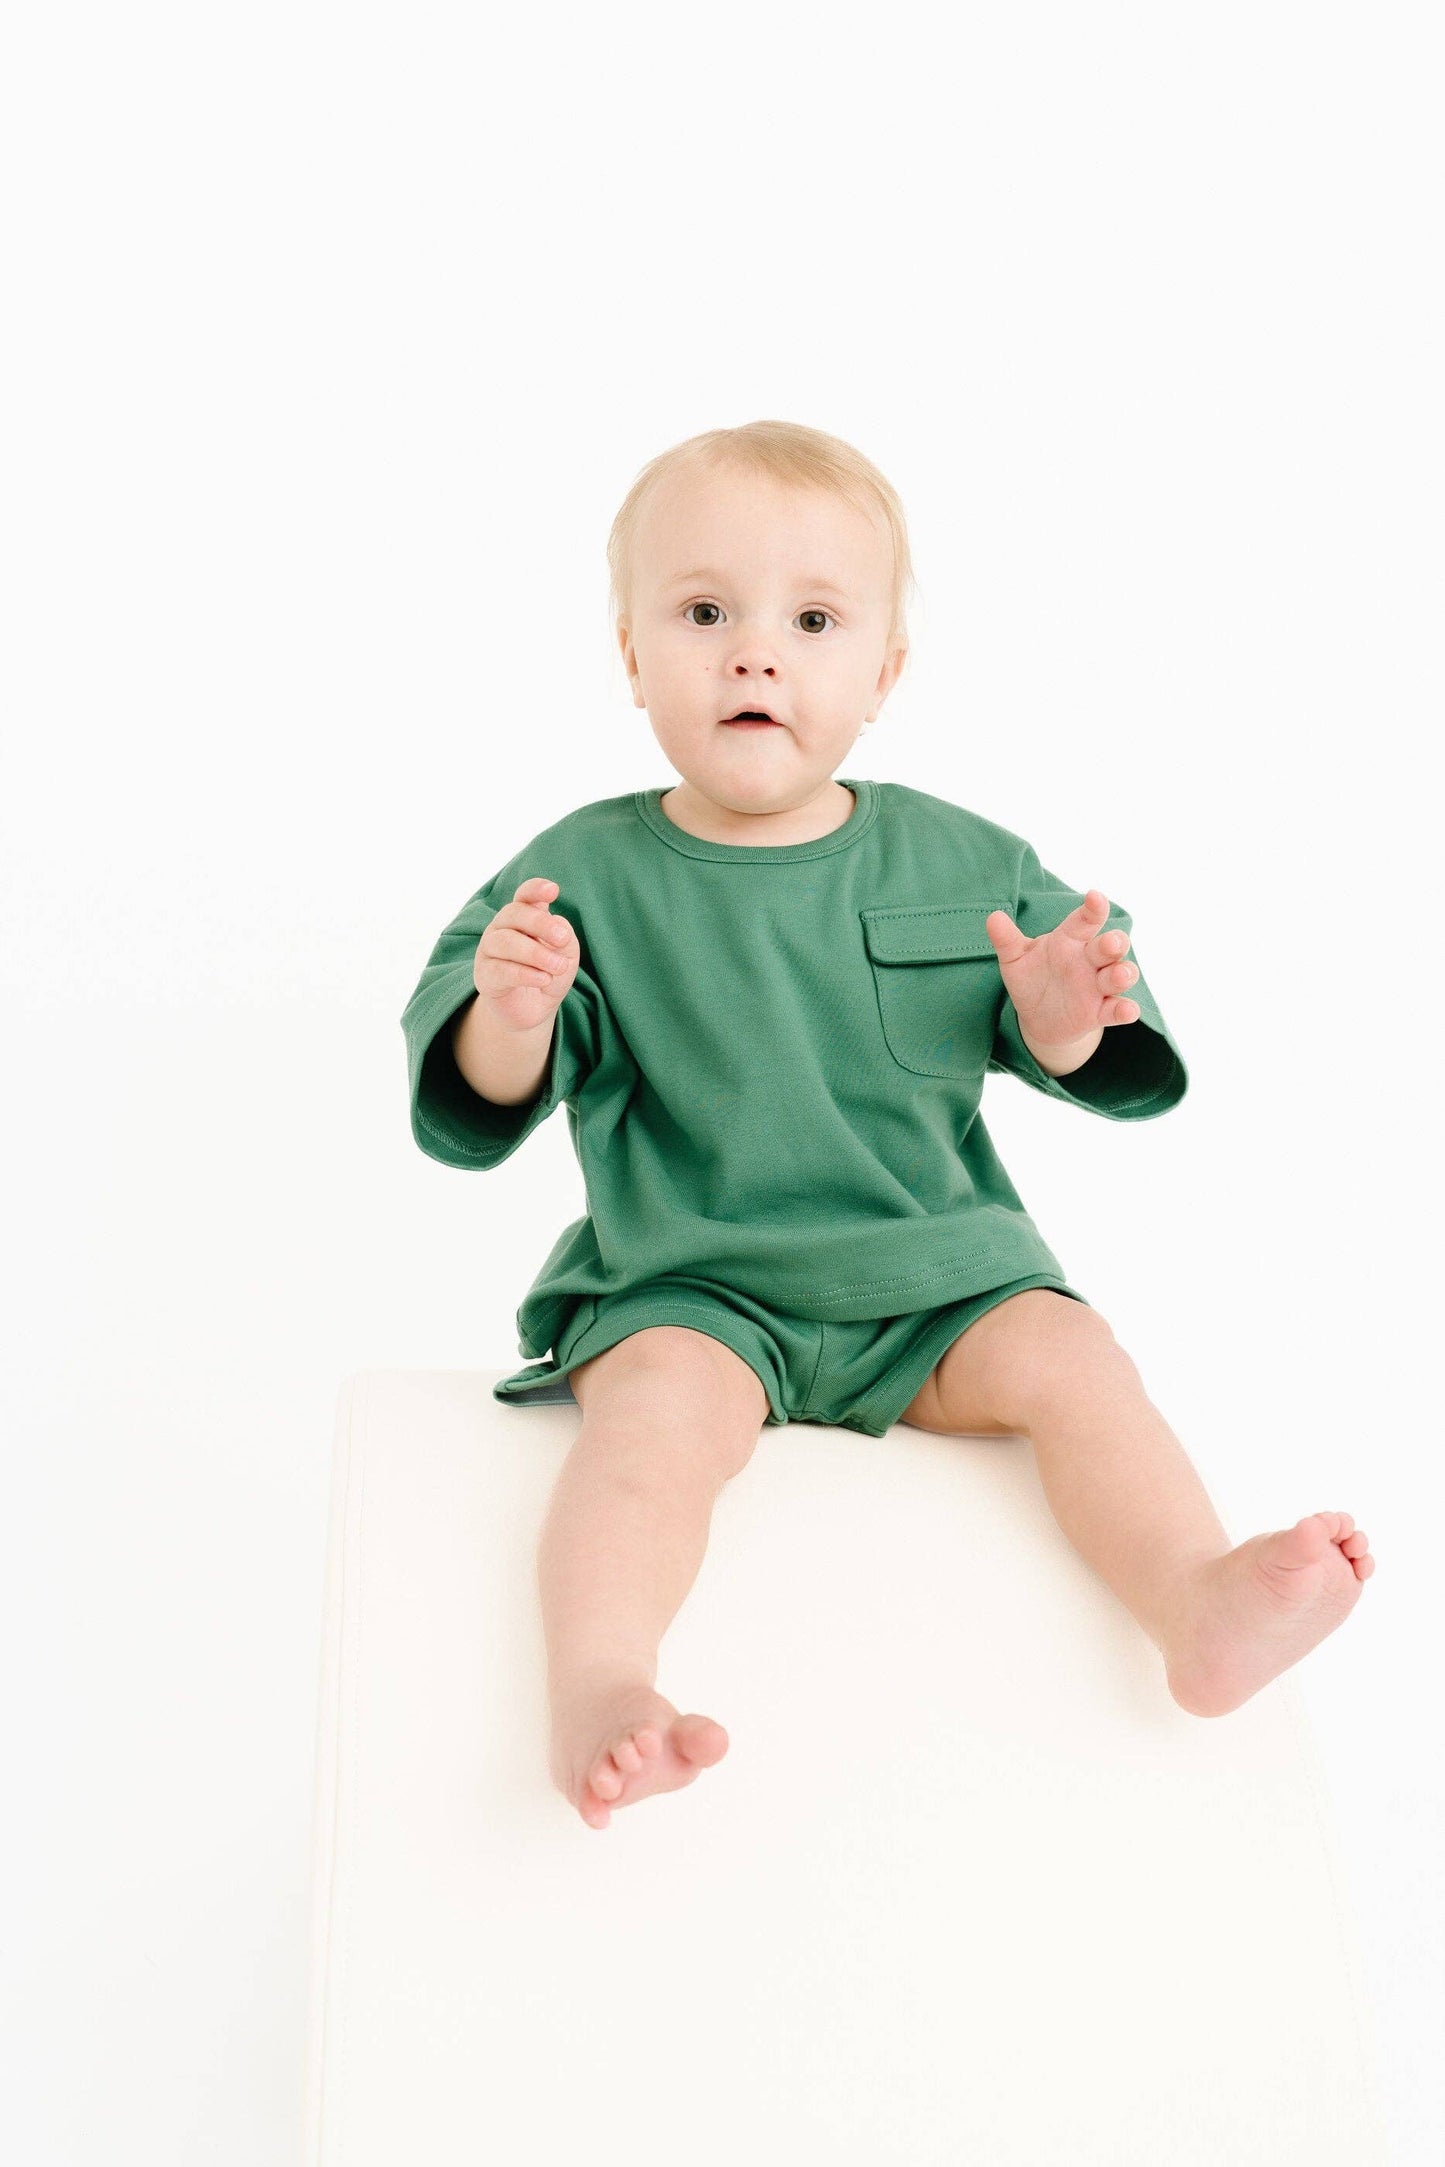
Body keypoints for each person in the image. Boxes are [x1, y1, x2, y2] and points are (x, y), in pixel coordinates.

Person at [400, 419, 1374, 1832]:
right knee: (648, 1429)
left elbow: (1088, 1042)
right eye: (703, 613)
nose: (754, 656)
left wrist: (1059, 1018)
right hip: (691, 1286)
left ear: (884, 672)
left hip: (934, 1282)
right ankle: (603, 1684)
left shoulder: (960, 857)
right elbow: (483, 1092)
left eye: (811, 621)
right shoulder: (577, 873)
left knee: (1072, 1356)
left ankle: (1195, 1601)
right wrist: (512, 1010)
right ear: (630, 653)